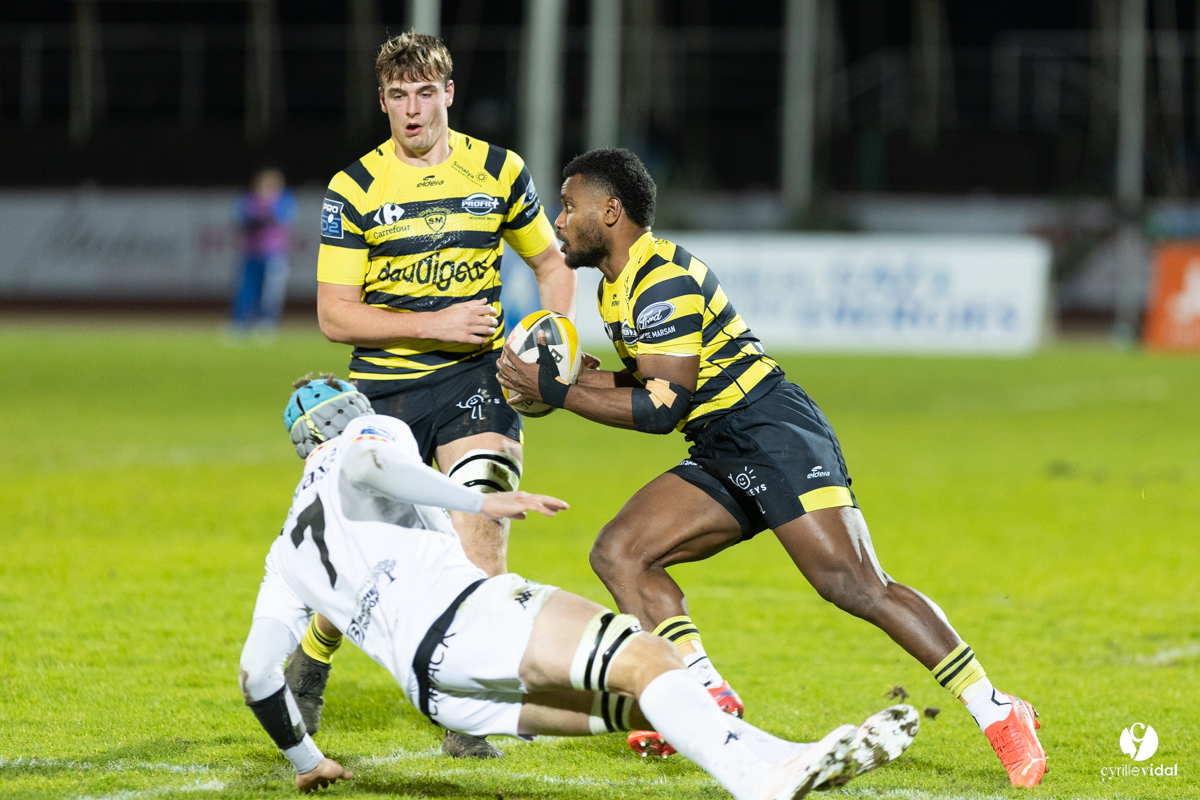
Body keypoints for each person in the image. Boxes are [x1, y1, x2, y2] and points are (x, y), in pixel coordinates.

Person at [495, 148, 1048, 788]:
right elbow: (662, 377)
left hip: (773, 431)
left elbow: (661, 406)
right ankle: (702, 694)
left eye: (570, 206)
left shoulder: (661, 277)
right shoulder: (616, 284)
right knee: (622, 552)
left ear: (611, 212)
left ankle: (999, 709)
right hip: (723, 440)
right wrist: (591, 378)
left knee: (854, 584)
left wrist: (558, 390)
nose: (559, 220)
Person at [237, 374, 920, 798]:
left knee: (646, 704)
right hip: (466, 620)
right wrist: (478, 502)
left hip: (435, 693)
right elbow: (370, 461)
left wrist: (308, 760)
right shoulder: (367, 430)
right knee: (655, 657)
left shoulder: (283, 552)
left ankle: (793, 760)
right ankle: (762, 782)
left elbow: (256, 672)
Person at [310, 31, 581, 757]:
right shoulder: (355, 188)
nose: (412, 109)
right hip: (383, 395)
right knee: (367, 561)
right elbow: (335, 314)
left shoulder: (498, 170)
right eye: (397, 96)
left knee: (481, 540)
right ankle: (313, 650)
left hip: (476, 386)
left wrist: (550, 332)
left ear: (448, 95)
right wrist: (437, 322)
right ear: (383, 101)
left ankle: (467, 713)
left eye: (425, 93)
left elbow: (552, 266)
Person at [230, 167, 297, 341]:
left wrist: (263, 213)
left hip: (274, 254)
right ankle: (240, 323)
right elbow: (241, 218)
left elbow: (280, 218)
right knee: (247, 289)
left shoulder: (284, 200)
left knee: (270, 293)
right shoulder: (250, 200)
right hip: (252, 253)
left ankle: (267, 324)